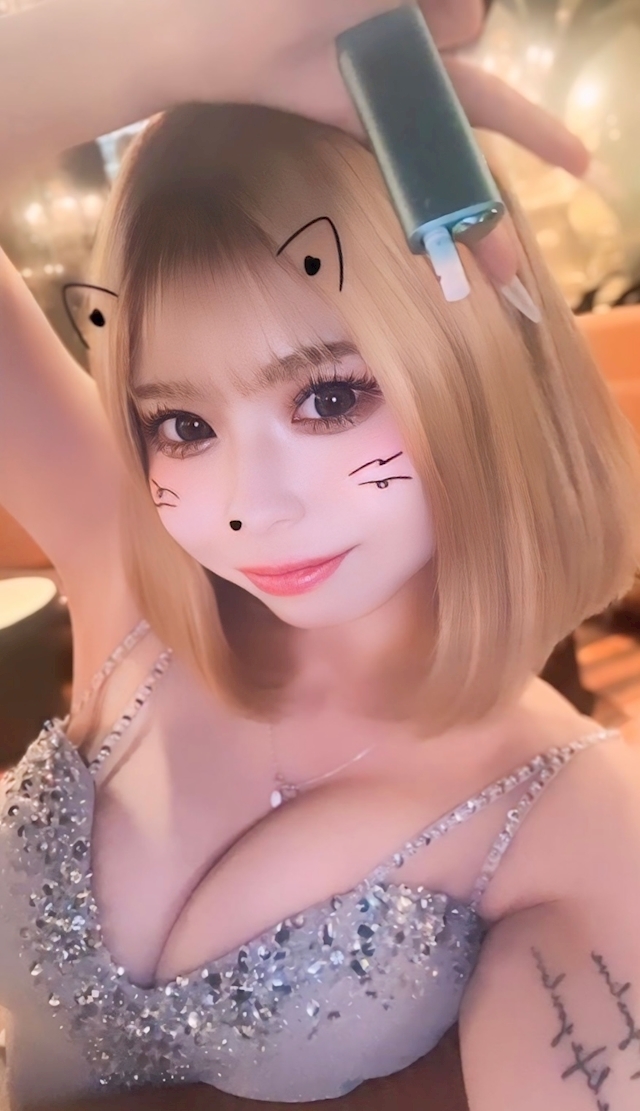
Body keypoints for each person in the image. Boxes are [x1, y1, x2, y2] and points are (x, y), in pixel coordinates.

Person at [1, 3, 640, 1110]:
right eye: (182, 425)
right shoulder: (129, 562)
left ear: (477, 369)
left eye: (330, 398)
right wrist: (176, 44)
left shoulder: (578, 818)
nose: (250, 508)